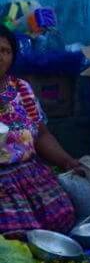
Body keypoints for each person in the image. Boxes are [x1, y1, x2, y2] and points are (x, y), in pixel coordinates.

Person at [0, 25, 79, 234]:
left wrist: (67, 162)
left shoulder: (21, 89)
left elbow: (41, 134)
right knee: (17, 234)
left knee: (62, 219)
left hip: (28, 174)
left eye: (5, 51)